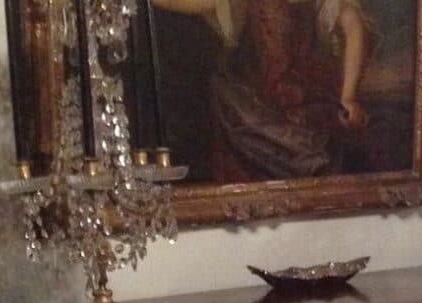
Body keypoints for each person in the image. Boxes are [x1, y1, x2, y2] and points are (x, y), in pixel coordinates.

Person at [152, 0, 376, 180]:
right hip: (258, 95)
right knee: (231, 103)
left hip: (307, 95)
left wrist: (348, 96)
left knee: (315, 145)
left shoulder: (323, 5)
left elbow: (353, 26)